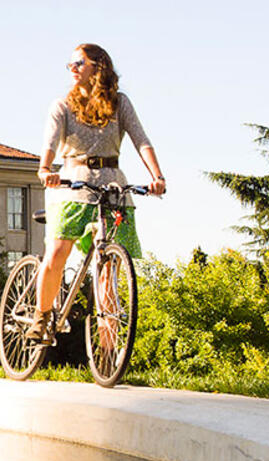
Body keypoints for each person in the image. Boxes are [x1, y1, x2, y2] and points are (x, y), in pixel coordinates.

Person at [27, 43, 166, 343]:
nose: (73, 69)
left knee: (109, 269)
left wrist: (157, 176)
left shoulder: (120, 103)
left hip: (112, 187)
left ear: (97, 67)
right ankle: (41, 316)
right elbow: (50, 144)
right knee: (59, 251)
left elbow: (142, 141)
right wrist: (45, 169)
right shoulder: (62, 106)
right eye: (71, 65)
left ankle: (109, 351)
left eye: (79, 63)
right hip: (72, 185)